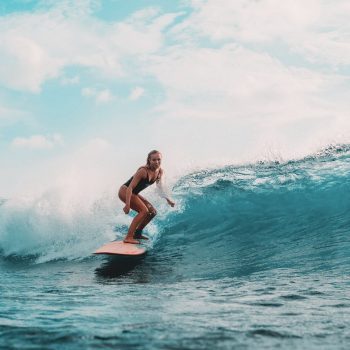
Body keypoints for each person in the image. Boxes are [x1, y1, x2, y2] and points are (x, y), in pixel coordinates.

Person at [118, 150, 175, 244]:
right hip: (125, 191)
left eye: (158, 159)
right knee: (144, 211)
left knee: (152, 212)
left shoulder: (160, 172)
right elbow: (130, 188)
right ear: (149, 160)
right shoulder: (143, 171)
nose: (157, 162)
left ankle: (137, 233)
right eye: (154, 160)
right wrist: (127, 205)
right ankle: (128, 237)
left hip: (134, 193)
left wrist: (168, 200)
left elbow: (160, 188)